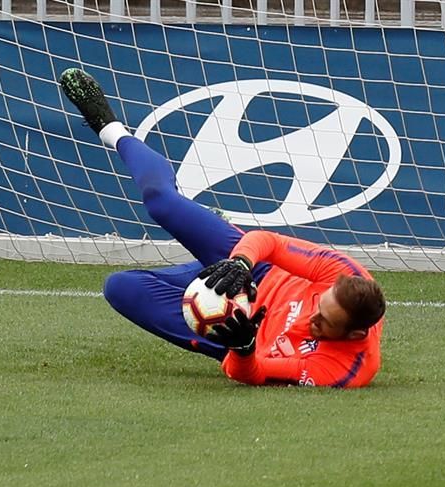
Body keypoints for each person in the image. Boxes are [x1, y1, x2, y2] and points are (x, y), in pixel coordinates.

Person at [59, 68, 386, 388]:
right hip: (254, 271)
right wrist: (241, 263)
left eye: (324, 322)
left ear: (355, 334)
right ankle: (110, 128)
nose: (311, 318)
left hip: (241, 329)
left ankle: (209, 265)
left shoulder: (342, 370)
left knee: (120, 287)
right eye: (318, 305)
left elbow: (252, 373)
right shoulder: (344, 272)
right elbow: (268, 242)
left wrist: (243, 350)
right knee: (160, 202)